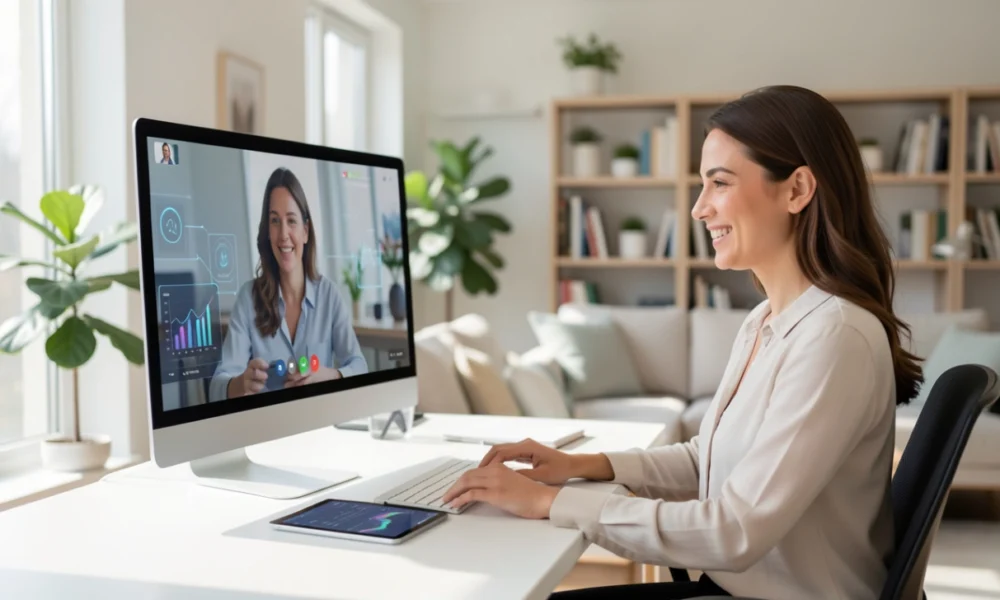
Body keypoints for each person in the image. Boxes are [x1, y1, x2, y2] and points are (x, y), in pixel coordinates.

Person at [442, 85, 923, 600]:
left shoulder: (835, 337)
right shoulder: (765, 320)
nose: (698, 209)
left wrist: (551, 504)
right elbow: (707, 461)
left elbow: (733, 531)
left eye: (719, 183)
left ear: (797, 190)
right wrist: (583, 466)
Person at [209, 167, 367, 401]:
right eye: (275, 221)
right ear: (267, 231)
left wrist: (330, 375)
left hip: (319, 427)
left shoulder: (329, 295)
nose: (283, 234)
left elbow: (359, 366)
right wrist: (241, 383)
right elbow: (216, 387)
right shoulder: (248, 298)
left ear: (305, 231)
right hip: (267, 429)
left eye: (291, 221)